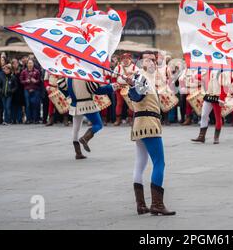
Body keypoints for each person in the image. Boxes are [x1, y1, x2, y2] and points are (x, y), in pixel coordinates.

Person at [127, 52, 176, 216]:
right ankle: (157, 204)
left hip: (140, 124)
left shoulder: (142, 78)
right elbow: (136, 95)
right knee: (159, 163)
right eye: (149, 60)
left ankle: (141, 205)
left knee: (139, 164)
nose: (154, 63)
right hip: (148, 124)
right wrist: (133, 86)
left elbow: (136, 94)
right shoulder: (142, 77)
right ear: (142, 63)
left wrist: (133, 84)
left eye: (154, 60)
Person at [57, 77, 117, 160]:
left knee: (76, 129)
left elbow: (60, 85)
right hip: (87, 104)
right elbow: (97, 90)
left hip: (75, 104)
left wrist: (68, 95)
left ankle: (78, 153)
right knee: (98, 124)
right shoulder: (85, 75)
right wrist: (112, 87)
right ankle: (85, 138)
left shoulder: (68, 75)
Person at [191, 69, 233, 145]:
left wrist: (222, 98)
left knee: (217, 117)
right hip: (209, 95)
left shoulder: (224, 71)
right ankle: (201, 136)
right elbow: (205, 78)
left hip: (218, 96)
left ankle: (216, 137)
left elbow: (225, 86)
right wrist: (196, 76)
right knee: (204, 115)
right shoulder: (210, 69)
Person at [113, 53, 138, 126]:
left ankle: (130, 119)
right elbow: (113, 77)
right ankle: (118, 120)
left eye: (127, 58)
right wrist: (115, 85)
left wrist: (133, 72)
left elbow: (139, 74)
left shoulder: (134, 67)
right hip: (119, 87)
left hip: (129, 88)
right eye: (123, 58)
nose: (125, 60)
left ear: (130, 59)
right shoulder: (118, 67)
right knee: (119, 104)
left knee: (131, 103)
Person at [20, 60, 41, 124]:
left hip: (35, 90)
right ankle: (28, 119)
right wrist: (26, 81)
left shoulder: (37, 71)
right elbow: (21, 80)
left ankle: (35, 119)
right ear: (27, 64)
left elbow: (40, 81)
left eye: (31, 63)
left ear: (33, 64)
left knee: (35, 105)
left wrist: (35, 81)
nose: (30, 64)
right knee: (28, 105)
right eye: (29, 63)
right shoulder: (24, 71)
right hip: (27, 90)